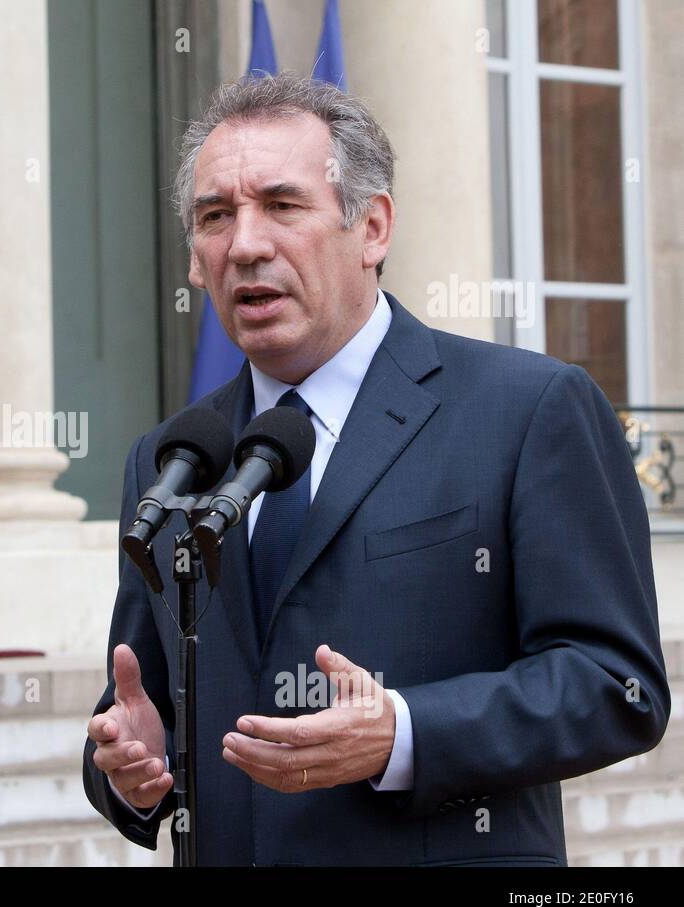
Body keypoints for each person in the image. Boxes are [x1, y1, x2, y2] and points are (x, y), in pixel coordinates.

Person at [82, 72, 670, 866]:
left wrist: (402, 732)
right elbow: (138, 709)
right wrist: (131, 769)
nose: (245, 244)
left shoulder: (527, 411)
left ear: (373, 228)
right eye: (215, 217)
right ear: (195, 257)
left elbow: (615, 686)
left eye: (283, 206)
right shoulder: (171, 460)